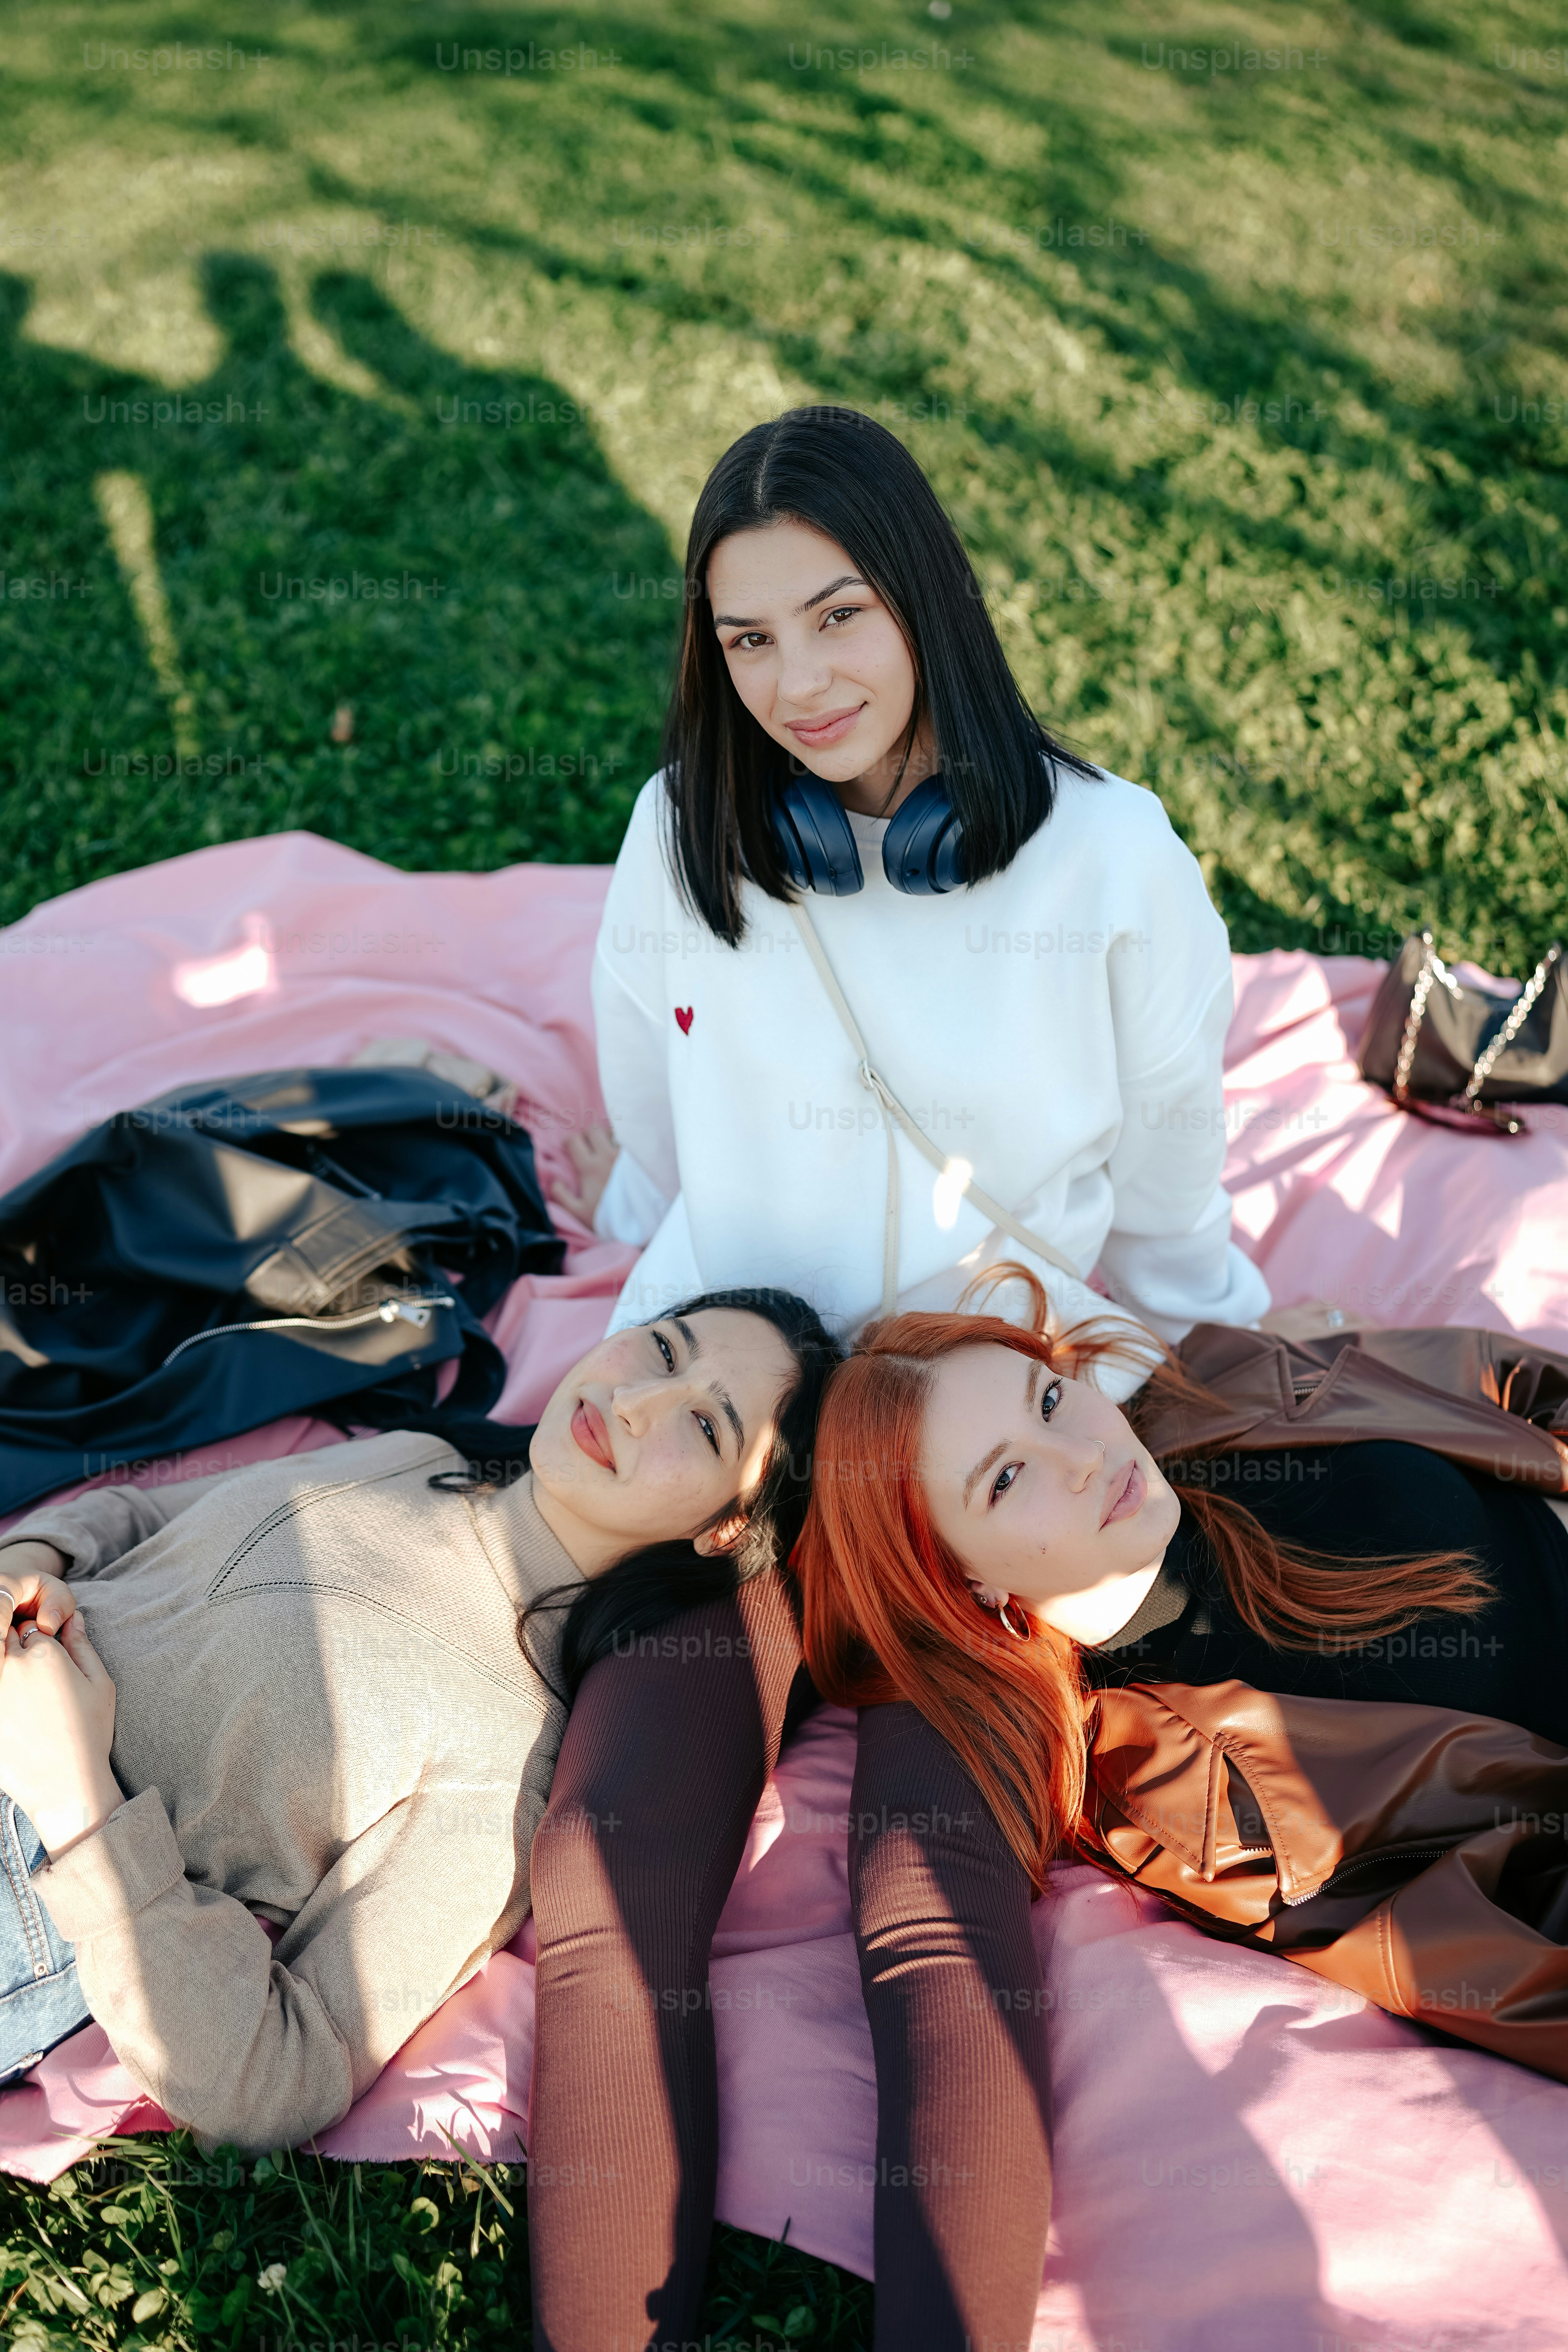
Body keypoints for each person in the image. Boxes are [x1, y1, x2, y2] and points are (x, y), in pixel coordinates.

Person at [529, 405, 1271, 2352]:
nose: (797, 684)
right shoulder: (683, 841)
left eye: (839, 615)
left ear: (925, 594)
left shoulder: (1109, 859)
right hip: (739, 1448)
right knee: (608, 1901)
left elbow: (1174, 1196)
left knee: (936, 1923)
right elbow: (656, 1144)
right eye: (747, 642)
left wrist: (1235, 1368)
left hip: (977, 1471)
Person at [0, 1289, 836, 2152]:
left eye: (705, 1427)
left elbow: (278, 2078)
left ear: (730, 1530)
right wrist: (28, 1563)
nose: (633, 1402)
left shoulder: (507, 1761)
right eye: (663, 1349)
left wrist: (76, 1803)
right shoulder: (415, 1457)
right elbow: (141, 1515)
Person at [794, 1265, 1568, 1911]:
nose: (1084, 1455)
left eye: (1049, 1400)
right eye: (1004, 1478)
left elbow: (1500, 1386)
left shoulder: (1208, 1394)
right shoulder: (1188, 1796)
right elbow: (1497, 1926)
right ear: (963, 1582)